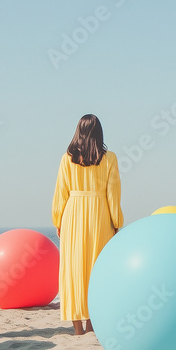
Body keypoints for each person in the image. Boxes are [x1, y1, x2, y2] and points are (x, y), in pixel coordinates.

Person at [52, 114, 123, 335]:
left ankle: (77, 329)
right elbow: (113, 194)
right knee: (97, 268)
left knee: (73, 269)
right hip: (100, 214)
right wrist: (116, 221)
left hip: (72, 213)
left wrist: (58, 219)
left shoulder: (67, 158)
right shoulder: (109, 158)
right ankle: (92, 324)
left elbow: (60, 193)